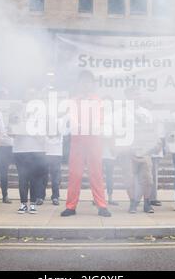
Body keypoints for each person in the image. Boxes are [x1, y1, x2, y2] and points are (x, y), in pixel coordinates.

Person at [60, 71, 111, 217]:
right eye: (83, 81)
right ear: (79, 84)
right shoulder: (73, 101)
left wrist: (93, 126)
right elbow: (71, 119)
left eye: (88, 81)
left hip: (94, 142)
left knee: (97, 174)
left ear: (92, 84)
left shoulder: (98, 101)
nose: (86, 84)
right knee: (74, 174)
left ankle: (101, 205)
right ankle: (70, 206)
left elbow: (101, 120)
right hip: (78, 142)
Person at [120, 87, 159, 214]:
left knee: (147, 179)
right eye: (133, 94)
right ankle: (132, 203)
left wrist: (154, 145)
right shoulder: (122, 113)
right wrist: (127, 149)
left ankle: (147, 203)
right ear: (128, 96)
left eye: (138, 94)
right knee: (129, 179)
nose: (136, 97)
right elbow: (119, 132)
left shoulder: (147, 113)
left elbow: (152, 131)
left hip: (144, 151)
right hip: (128, 151)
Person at [13, 89, 47, 214]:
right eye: (28, 93)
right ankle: (23, 204)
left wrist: (39, 133)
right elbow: (11, 131)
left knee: (34, 178)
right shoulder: (16, 109)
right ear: (24, 95)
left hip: (36, 149)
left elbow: (46, 131)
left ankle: (32, 204)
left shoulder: (42, 112)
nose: (31, 96)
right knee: (22, 178)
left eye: (34, 94)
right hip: (20, 149)